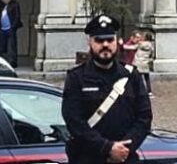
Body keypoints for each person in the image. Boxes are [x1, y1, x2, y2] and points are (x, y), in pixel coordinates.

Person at [62, 14, 152, 164]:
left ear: (116, 41)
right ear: (90, 42)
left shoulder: (131, 75)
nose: (105, 45)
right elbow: (74, 121)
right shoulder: (76, 78)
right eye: (99, 40)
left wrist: (123, 149)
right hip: (89, 158)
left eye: (110, 40)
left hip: (125, 158)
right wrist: (107, 148)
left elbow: (144, 117)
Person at [0, 0, 23, 68]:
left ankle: (13, 62)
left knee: (12, 46)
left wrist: (13, 27)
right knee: (0, 47)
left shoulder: (14, 5)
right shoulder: (4, 6)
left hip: (10, 29)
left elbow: (17, 17)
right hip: (3, 29)